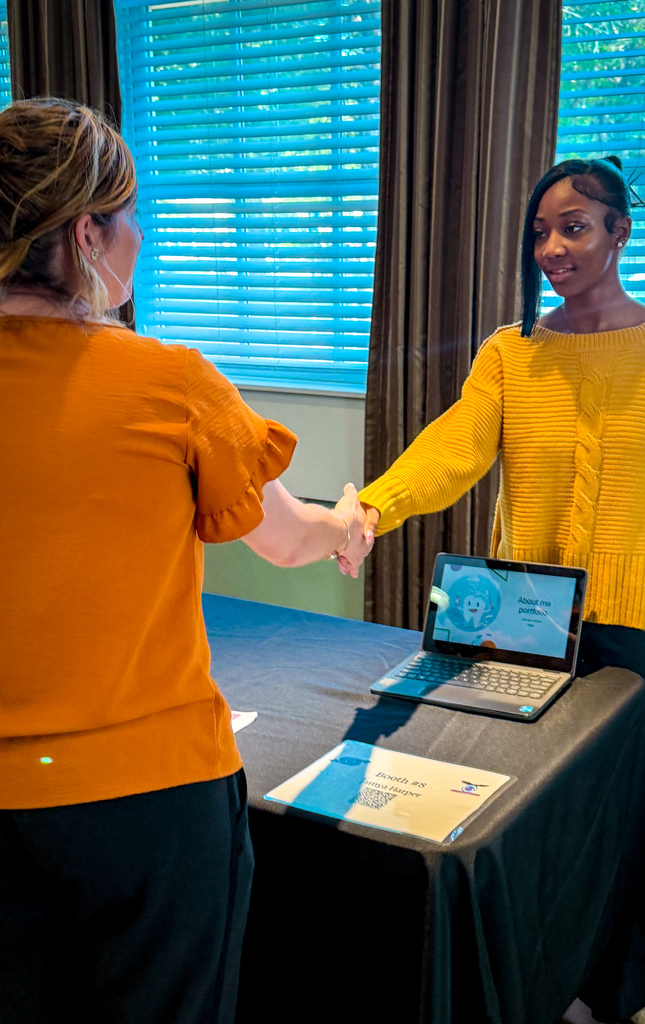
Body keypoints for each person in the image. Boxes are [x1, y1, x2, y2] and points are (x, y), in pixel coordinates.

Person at [0, 98, 372, 1024]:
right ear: (85, 232)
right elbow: (287, 539)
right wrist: (346, 520)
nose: (142, 236)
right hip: (147, 800)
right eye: (132, 215)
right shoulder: (169, 382)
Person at [356, 156, 645, 1024]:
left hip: (626, 622)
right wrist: (373, 507)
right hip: (517, 616)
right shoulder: (511, 352)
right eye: (540, 232)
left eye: (573, 227)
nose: (552, 248)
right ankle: (525, 964)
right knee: (518, 799)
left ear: (620, 232)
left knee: (614, 809)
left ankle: (622, 975)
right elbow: (455, 448)